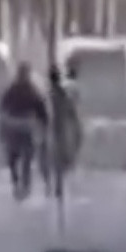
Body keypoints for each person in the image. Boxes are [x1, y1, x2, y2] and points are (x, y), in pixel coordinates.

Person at [0, 62, 49, 200]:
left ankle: (21, 185)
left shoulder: (17, 90)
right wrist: (43, 123)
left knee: (18, 158)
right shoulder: (28, 90)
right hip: (21, 127)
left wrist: (43, 123)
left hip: (19, 127)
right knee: (21, 158)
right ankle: (21, 185)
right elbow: (41, 110)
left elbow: (2, 108)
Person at [42, 63, 82, 194]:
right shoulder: (62, 92)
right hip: (61, 126)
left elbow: (42, 110)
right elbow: (70, 108)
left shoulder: (47, 93)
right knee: (59, 155)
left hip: (50, 127)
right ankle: (58, 183)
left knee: (48, 156)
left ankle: (50, 184)